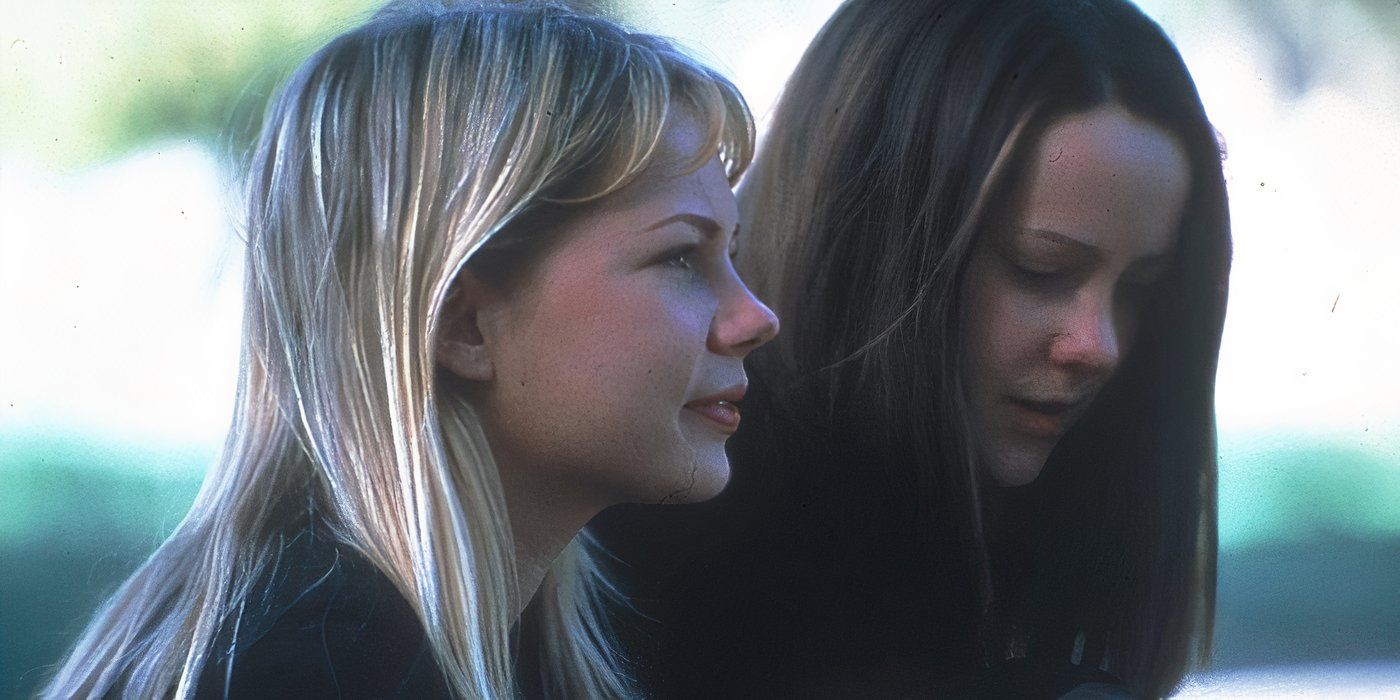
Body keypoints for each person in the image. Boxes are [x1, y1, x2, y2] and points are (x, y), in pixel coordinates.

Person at [40, 2, 776, 697]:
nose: (755, 317)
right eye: (681, 256)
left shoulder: (356, 639)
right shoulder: (316, 669)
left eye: (733, 254)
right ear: (462, 325)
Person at [594, 0, 1231, 696]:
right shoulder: (664, 543)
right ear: (874, 236)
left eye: (1140, 289)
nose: (1099, 346)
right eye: (1039, 269)